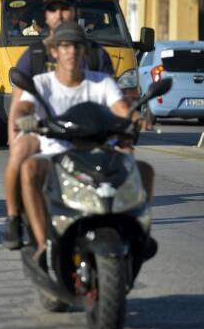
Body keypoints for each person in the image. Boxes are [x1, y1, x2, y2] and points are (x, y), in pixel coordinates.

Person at [13, 23, 154, 269]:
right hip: (56, 155)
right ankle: (43, 242)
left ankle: (139, 234)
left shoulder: (101, 82)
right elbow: (25, 106)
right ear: (55, 51)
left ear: (85, 52)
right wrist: (24, 117)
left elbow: (120, 106)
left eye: (78, 46)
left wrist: (134, 118)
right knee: (29, 169)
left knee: (143, 170)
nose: (72, 52)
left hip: (99, 154)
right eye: (66, 46)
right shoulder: (42, 83)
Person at [2, 0, 114, 249]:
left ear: (75, 11)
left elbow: (113, 101)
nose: (60, 14)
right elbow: (19, 105)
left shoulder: (96, 54)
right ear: (46, 16)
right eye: (53, 9)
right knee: (19, 155)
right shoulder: (35, 54)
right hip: (44, 132)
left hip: (88, 133)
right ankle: (13, 218)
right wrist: (15, 136)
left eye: (65, 7)